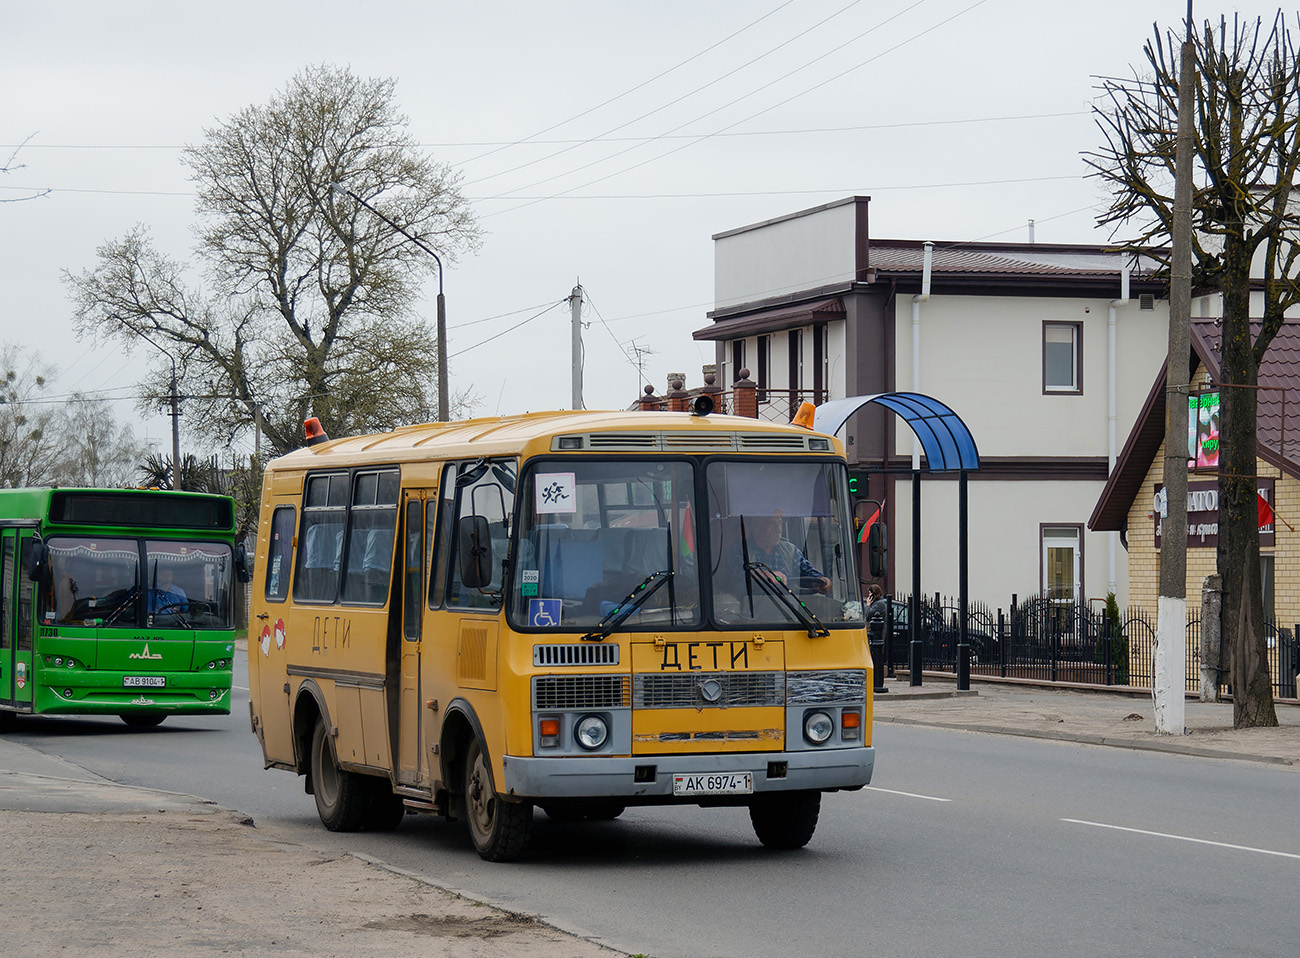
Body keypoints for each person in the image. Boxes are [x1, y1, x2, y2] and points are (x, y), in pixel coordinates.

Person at [744, 512, 830, 594]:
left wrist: (820, 580)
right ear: (757, 527)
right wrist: (764, 575)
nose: (778, 529)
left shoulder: (790, 550)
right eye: (772, 524)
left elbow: (807, 572)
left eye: (780, 523)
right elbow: (740, 575)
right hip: (753, 607)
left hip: (789, 606)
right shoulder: (742, 551)